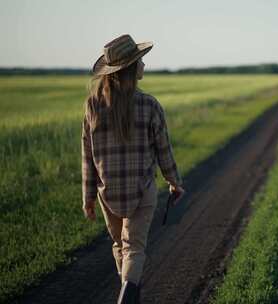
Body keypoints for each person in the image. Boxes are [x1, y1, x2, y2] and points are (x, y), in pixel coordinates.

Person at [81, 34, 185, 304]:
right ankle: (128, 295)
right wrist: (174, 181)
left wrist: (88, 197)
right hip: (142, 190)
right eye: (141, 61)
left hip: (108, 193)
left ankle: (129, 291)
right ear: (131, 67)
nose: (144, 65)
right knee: (135, 249)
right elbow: (164, 150)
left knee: (120, 246)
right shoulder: (149, 105)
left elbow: (88, 156)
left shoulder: (93, 105)